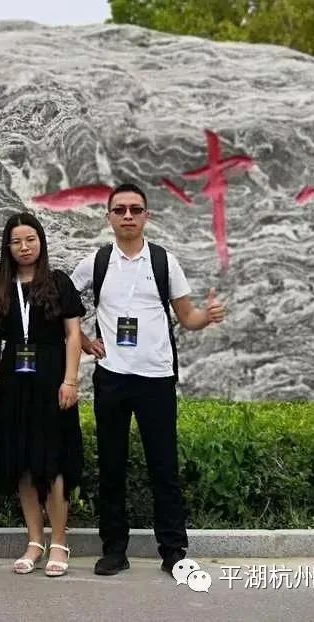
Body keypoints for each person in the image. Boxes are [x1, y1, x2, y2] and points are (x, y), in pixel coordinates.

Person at [70, 183, 226, 577]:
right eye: (120, 209)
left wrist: (207, 316)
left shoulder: (163, 261)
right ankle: (114, 550)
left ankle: (173, 550)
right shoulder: (95, 263)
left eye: (135, 209)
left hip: (156, 377)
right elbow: (62, 307)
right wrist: (85, 341)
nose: (128, 216)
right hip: (112, 378)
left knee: (163, 467)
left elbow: (187, 316)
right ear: (108, 216)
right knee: (111, 467)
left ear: (146, 216)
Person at [0, 212, 85, 577]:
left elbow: (73, 335)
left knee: (54, 462)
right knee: (22, 463)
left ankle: (59, 541)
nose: (24, 247)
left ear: (41, 242)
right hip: (15, 383)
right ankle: (34, 540)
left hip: (52, 380)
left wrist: (70, 380)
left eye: (30, 240)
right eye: (16, 241)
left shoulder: (58, 282)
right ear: (7, 247)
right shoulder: (1, 287)